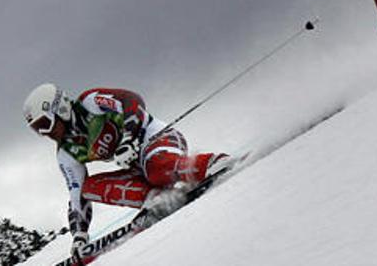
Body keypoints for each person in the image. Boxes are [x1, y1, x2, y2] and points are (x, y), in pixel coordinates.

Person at [22, 83, 231, 261]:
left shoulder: (90, 102)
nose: (45, 133)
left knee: (156, 168)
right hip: (137, 166)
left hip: (158, 139)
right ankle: (157, 198)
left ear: (60, 109)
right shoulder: (66, 153)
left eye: (44, 124)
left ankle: (211, 163)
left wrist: (129, 138)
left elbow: (130, 101)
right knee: (89, 187)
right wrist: (79, 235)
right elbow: (77, 193)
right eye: (37, 130)